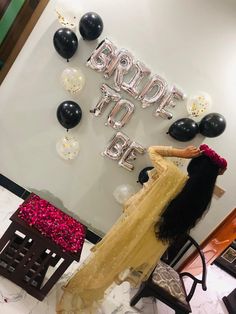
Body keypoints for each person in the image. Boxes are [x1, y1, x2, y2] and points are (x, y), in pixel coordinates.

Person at [56, 144, 227, 313]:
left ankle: (78, 290)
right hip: (150, 244)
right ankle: (89, 295)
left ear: (194, 165)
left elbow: (152, 150)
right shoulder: (199, 202)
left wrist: (181, 153)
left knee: (104, 260)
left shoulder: (172, 175)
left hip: (134, 229)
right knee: (115, 266)